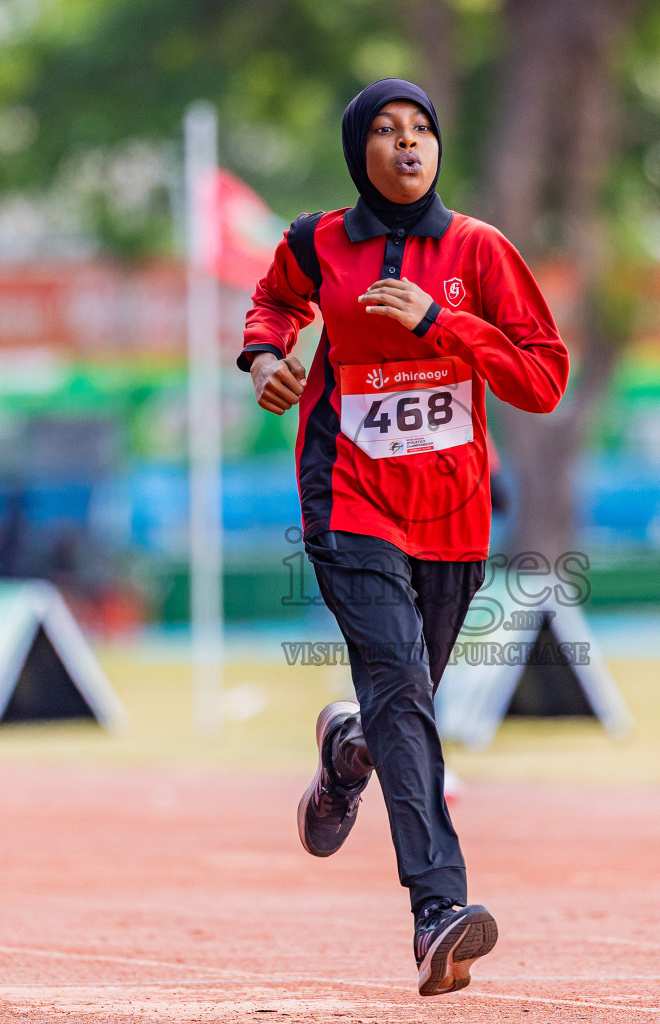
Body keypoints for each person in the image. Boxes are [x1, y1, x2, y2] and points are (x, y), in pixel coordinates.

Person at [239, 79, 568, 995]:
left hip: (454, 510)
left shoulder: (479, 251)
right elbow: (273, 303)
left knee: (399, 702)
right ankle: (438, 909)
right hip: (347, 498)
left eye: (421, 128)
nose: (408, 144)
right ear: (360, 152)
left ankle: (349, 754)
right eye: (386, 131)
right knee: (400, 686)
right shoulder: (317, 242)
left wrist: (442, 322)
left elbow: (542, 380)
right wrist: (268, 356)